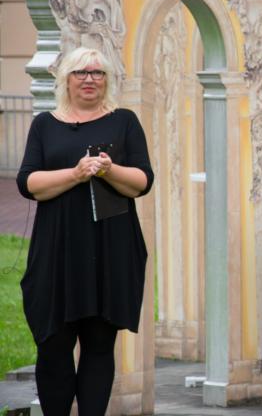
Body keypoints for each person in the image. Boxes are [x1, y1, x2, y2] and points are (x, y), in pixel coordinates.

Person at [16, 46, 153, 415]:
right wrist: (76, 174)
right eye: (81, 72)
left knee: (98, 345)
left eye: (97, 73)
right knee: (53, 344)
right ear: (66, 80)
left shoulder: (124, 121)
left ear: (107, 80)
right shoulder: (45, 124)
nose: (90, 79)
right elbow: (28, 182)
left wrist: (110, 170)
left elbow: (141, 182)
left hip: (109, 250)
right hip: (57, 251)